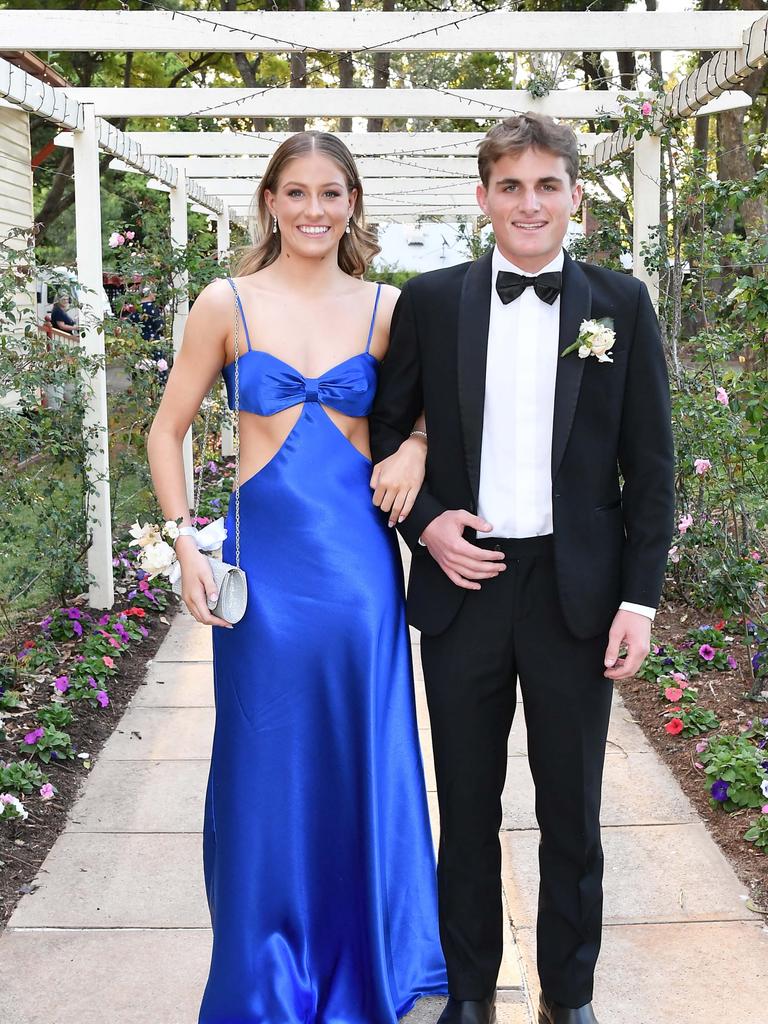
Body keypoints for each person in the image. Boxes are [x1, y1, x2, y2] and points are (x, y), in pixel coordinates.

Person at [370, 113, 674, 1024]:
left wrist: (640, 601)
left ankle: (568, 996)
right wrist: (426, 524)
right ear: (483, 199)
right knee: (465, 806)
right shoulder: (429, 300)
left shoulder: (621, 304)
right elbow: (386, 432)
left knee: (572, 814)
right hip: (466, 584)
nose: (529, 203)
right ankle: (470, 994)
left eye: (548, 185)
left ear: (576, 197)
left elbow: (652, 467)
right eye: (511, 186)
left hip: (577, 595)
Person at [146, 131, 447, 1023]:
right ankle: (266, 972)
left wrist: (420, 448)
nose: (315, 210)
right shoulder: (225, 301)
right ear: (270, 202)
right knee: (266, 763)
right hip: (266, 573)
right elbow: (167, 430)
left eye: (332, 193)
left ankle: (372, 958)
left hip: (358, 573)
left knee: (362, 753)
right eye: (296, 193)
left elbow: (437, 418)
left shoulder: (390, 309)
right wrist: (185, 544)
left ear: (353, 202)